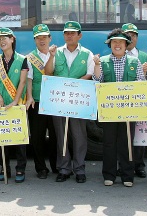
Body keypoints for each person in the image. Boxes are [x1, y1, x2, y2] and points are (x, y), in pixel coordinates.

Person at [92, 28, 146, 187]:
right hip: (109, 110)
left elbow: (141, 82)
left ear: (126, 44)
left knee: (127, 141)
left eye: (121, 42)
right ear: (110, 45)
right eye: (114, 42)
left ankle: (127, 175)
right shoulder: (103, 61)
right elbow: (97, 79)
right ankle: (109, 174)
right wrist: (96, 65)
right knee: (109, 142)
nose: (117, 45)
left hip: (129, 110)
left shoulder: (134, 62)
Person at [51, 21, 95, 184]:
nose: (69, 35)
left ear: (79, 35)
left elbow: (90, 74)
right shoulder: (56, 52)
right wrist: (51, 56)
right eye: (66, 33)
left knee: (79, 135)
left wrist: (73, 86)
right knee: (61, 135)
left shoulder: (87, 54)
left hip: (78, 100)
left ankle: (79, 169)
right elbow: (49, 71)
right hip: (59, 100)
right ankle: (64, 168)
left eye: (72, 33)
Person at [0, 27, 29, 183]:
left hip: (17, 104)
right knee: (2, 139)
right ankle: (4, 168)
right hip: (0, 105)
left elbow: (23, 81)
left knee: (19, 140)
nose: (2, 41)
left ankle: (20, 169)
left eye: (5, 38)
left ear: (12, 39)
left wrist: (15, 101)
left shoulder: (22, 59)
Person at [24, 23, 58, 180]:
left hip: (54, 101)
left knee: (55, 135)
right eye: (38, 38)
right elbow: (29, 79)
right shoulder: (30, 57)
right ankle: (41, 168)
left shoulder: (58, 55)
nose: (41, 40)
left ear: (50, 38)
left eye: (44, 37)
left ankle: (56, 165)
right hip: (36, 101)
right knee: (37, 137)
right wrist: (30, 96)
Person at [122, 23, 147, 179]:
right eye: (127, 35)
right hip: (121, 101)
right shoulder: (117, 53)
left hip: (138, 100)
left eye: (133, 35)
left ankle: (139, 165)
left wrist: (146, 73)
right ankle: (125, 164)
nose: (131, 38)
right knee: (123, 135)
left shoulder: (144, 56)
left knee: (139, 134)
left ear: (137, 37)